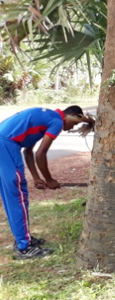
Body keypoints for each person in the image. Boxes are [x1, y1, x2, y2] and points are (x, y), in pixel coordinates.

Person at [0, 105, 91, 259]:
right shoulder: (57, 121)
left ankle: (24, 238)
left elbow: (29, 151)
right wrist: (49, 180)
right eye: (74, 124)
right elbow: (41, 154)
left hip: (6, 143)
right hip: (6, 144)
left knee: (13, 196)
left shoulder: (47, 117)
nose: (69, 129)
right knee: (17, 196)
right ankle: (24, 247)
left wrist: (36, 177)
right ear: (70, 116)